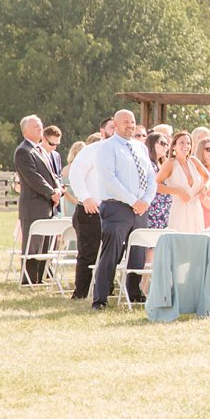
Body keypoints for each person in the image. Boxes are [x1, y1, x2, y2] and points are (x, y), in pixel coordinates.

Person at [90, 110, 156, 309]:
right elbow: (109, 179)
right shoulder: (106, 148)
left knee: (138, 253)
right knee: (112, 253)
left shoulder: (140, 148)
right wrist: (132, 200)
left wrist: (145, 200)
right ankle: (100, 298)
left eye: (133, 122)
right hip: (117, 207)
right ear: (116, 125)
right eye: (126, 122)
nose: (130, 125)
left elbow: (151, 176)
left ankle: (134, 292)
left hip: (140, 208)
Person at [13, 114, 63, 283]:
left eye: (41, 125)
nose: (40, 128)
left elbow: (51, 174)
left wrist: (57, 190)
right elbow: (33, 177)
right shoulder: (23, 151)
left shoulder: (40, 149)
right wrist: (51, 192)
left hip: (47, 204)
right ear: (25, 130)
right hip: (33, 205)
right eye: (36, 126)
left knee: (45, 243)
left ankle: (39, 278)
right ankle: (28, 280)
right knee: (33, 245)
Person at [64, 132, 106, 299]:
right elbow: (76, 174)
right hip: (89, 209)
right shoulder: (90, 151)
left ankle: (104, 289)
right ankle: (81, 293)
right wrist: (86, 198)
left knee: (107, 253)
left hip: (109, 209)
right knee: (88, 253)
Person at [157, 131, 208, 233]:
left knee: (197, 242)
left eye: (188, 143)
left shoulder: (194, 161)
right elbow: (156, 185)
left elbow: (208, 177)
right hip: (179, 211)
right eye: (182, 143)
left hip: (196, 209)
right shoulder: (170, 164)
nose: (186, 146)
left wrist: (204, 188)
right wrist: (177, 191)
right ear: (174, 146)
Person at [143, 133, 173, 230]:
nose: (165, 147)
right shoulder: (149, 164)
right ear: (152, 144)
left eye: (167, 144)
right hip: (154, 209)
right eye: (162, 143)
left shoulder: (162, 165)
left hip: (165, 210)